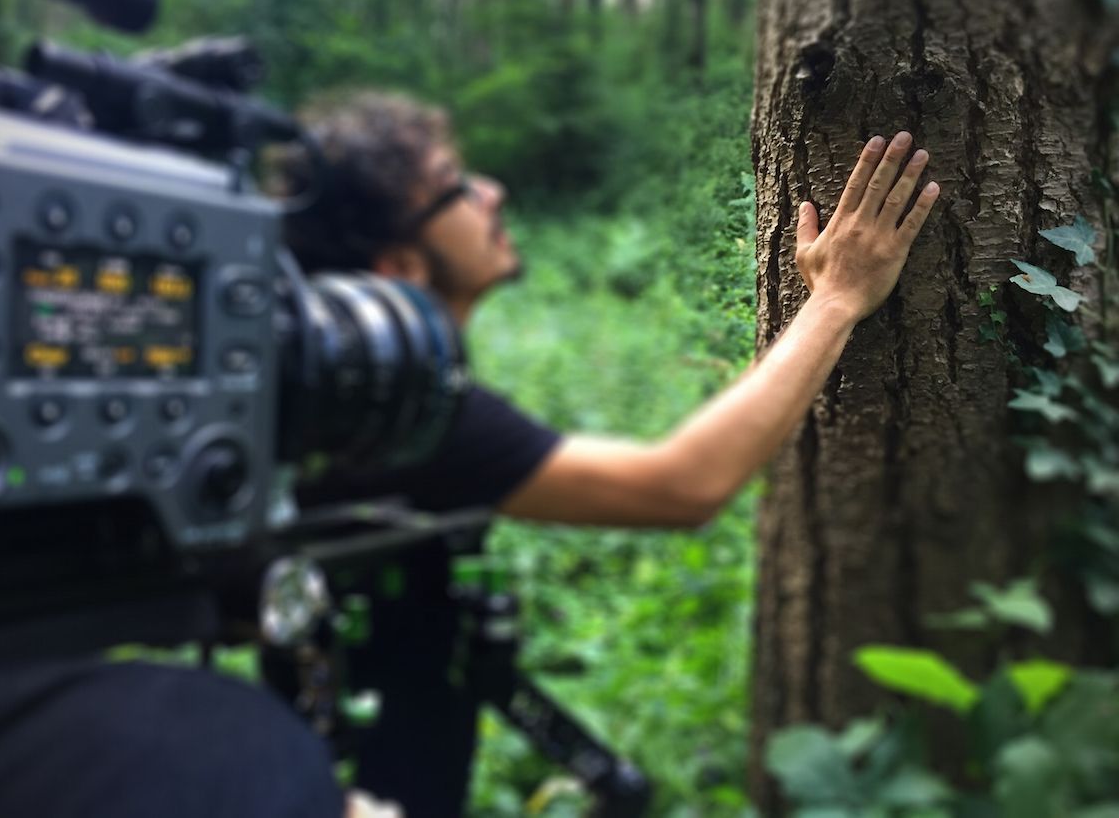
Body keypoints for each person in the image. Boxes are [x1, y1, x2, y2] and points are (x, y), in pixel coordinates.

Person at [270, 91, 941, 815]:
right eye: (455, 188)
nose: (491, 193)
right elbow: (681, 486)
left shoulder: (342, 392)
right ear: (403, 265)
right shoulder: (393, 417)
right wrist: (836, 299)